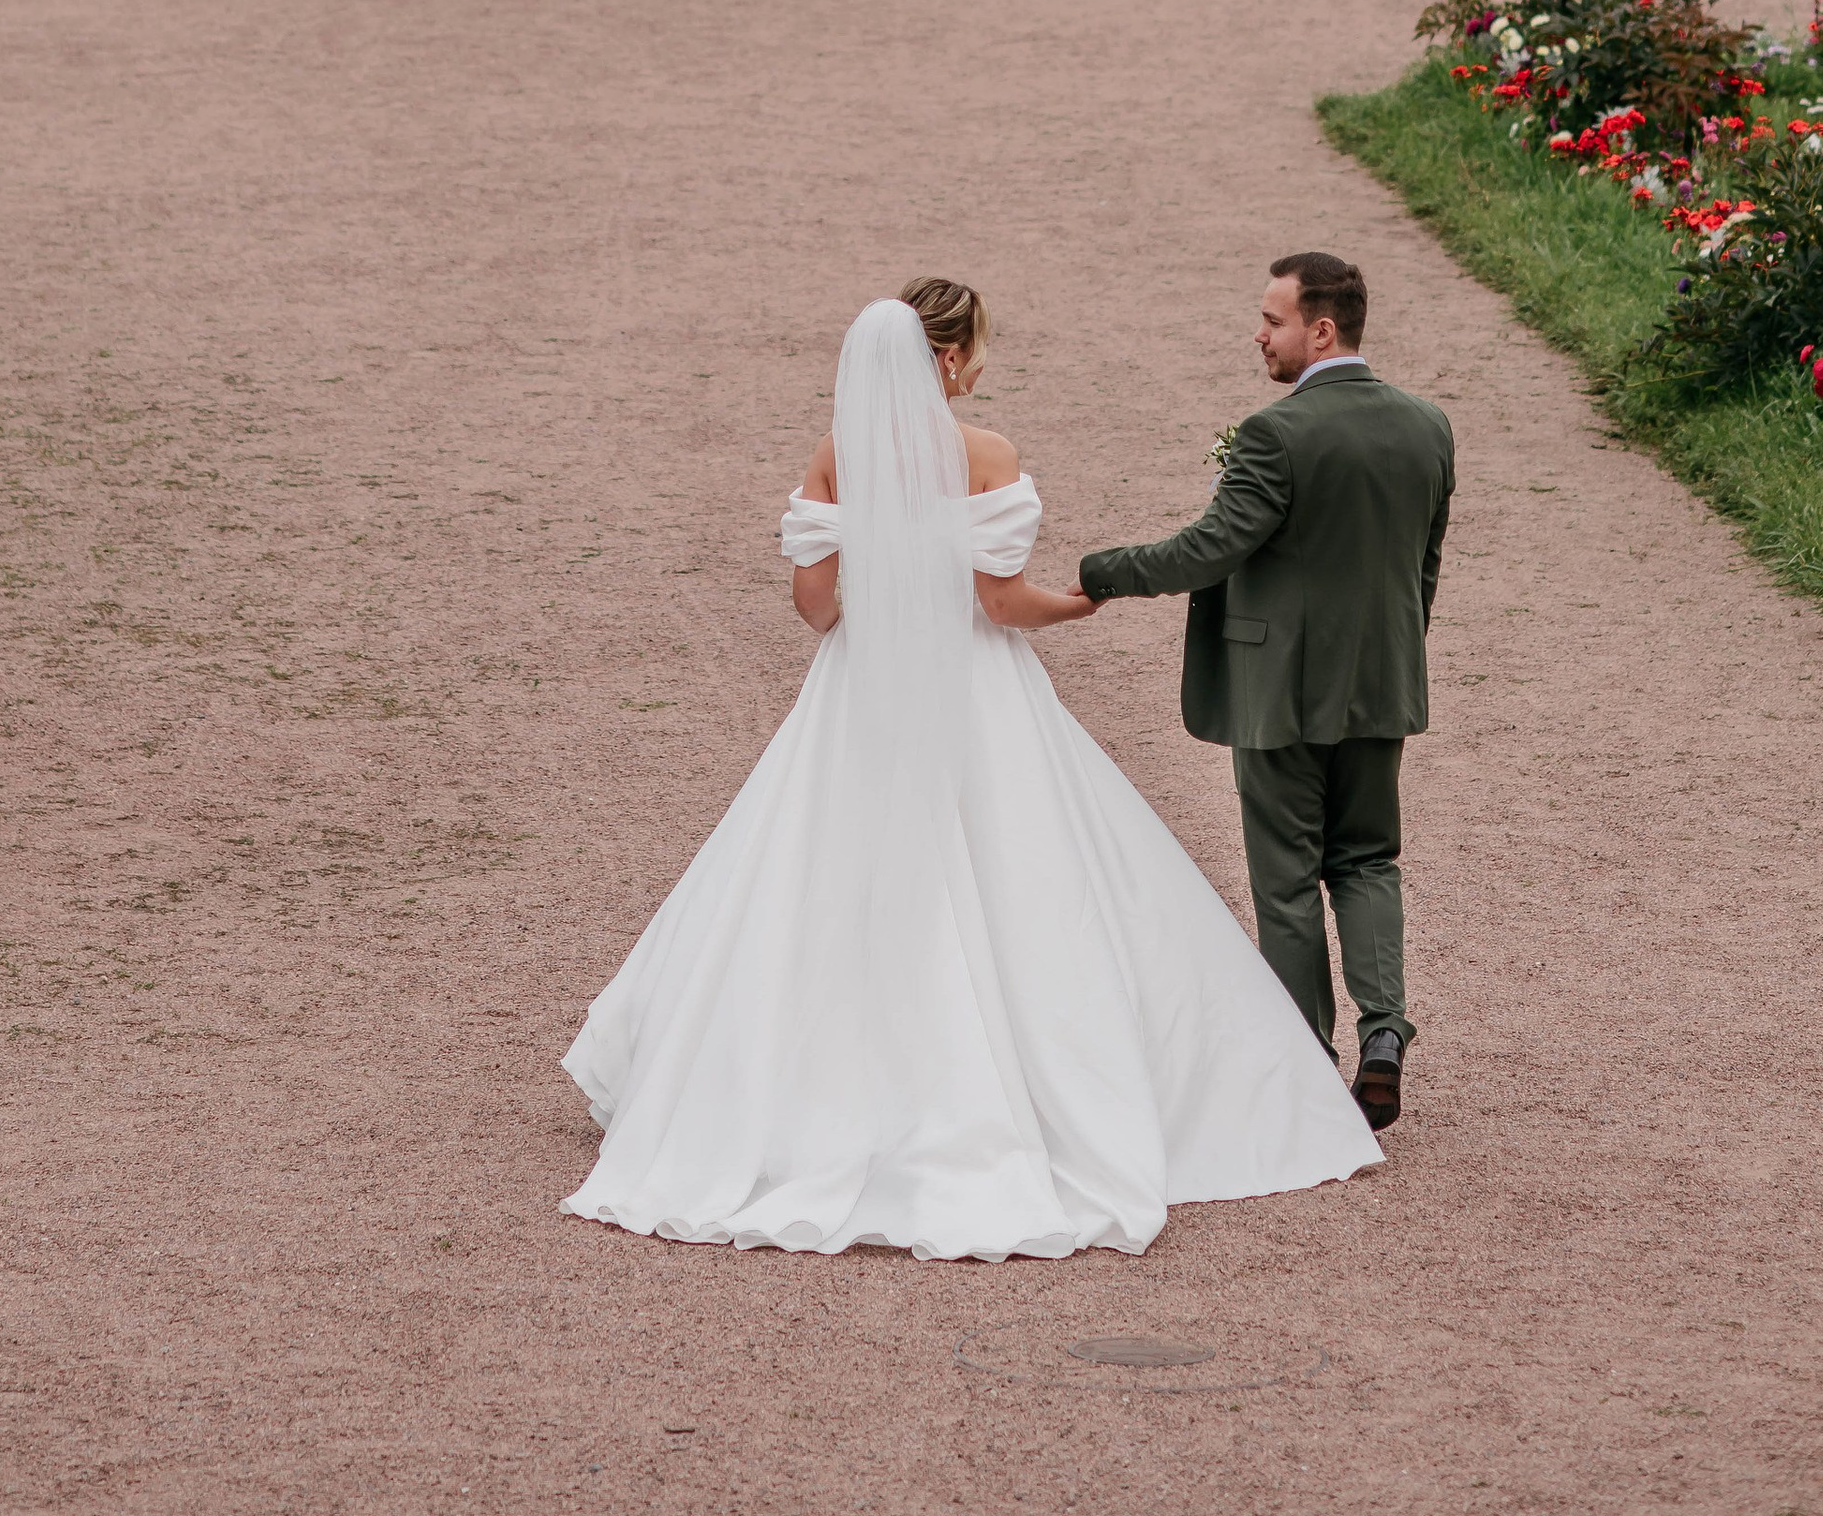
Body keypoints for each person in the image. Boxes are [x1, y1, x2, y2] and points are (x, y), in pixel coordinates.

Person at [559, 283, 1381, 1259]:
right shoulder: (985, 455)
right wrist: (1084, 603)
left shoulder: (837, 457)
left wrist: (880, 591)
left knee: (805, 880)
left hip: (859, 693)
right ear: (945, 362)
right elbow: (1001, 606)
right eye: (978, 352)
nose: (982, 368)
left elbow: (815, 608)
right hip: (977, 694)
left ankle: (776, 1101)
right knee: (1030, 881)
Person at [1079, 250, 1455, 1132]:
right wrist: (1391, 650)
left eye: (1273, 319)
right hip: (1382, 680)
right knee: (1367, 859)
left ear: (1321, 328)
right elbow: (1423, 568)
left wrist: (1103, 572)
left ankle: (1302, 1063)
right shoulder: (1428, 425)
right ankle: (1385, 1032)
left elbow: (1211, 547)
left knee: (1287, 880)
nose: (1260, 334)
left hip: (1279, 691)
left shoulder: (1275, 433)